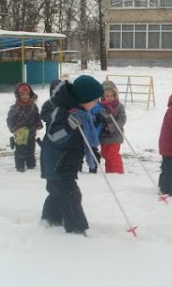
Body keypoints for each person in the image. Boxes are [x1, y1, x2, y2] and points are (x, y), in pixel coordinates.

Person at [40, 75, 103, 235]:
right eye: (95, 100)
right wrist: (68, 126)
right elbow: (54, 135)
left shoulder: (80, 110)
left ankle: (50, 218)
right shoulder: (62, 111)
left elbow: (85, 132)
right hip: (57, 163)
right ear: (83, 98)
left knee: (57, 194)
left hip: (63, 163)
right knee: (71, 195)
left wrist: (103, 113)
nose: (97, 103)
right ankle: (76, 229)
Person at [7, 83, 43, 172]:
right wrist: (14, 129)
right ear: (18, 96)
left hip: (31, 132)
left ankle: (31, 164)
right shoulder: (15, 108)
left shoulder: (33, 106)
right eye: (22, 95)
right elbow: (10, 120)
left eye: (27, 94)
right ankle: (20, 165)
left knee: (31, 148)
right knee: (20, 149)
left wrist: (38, 124)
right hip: (20, 134)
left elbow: (37, 116)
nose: (25, 97)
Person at [94, 80, 127, 174]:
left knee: (113, 155)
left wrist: (111, 127)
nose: (110, 98)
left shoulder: (119, 106)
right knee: (105, 155)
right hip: (104, 136)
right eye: (107, 96)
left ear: (115, 95)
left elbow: (122, 119)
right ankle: (110, 172)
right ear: (103, 96)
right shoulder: (100, 107)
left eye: (112, 96)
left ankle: (117, 172)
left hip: (115, 135)